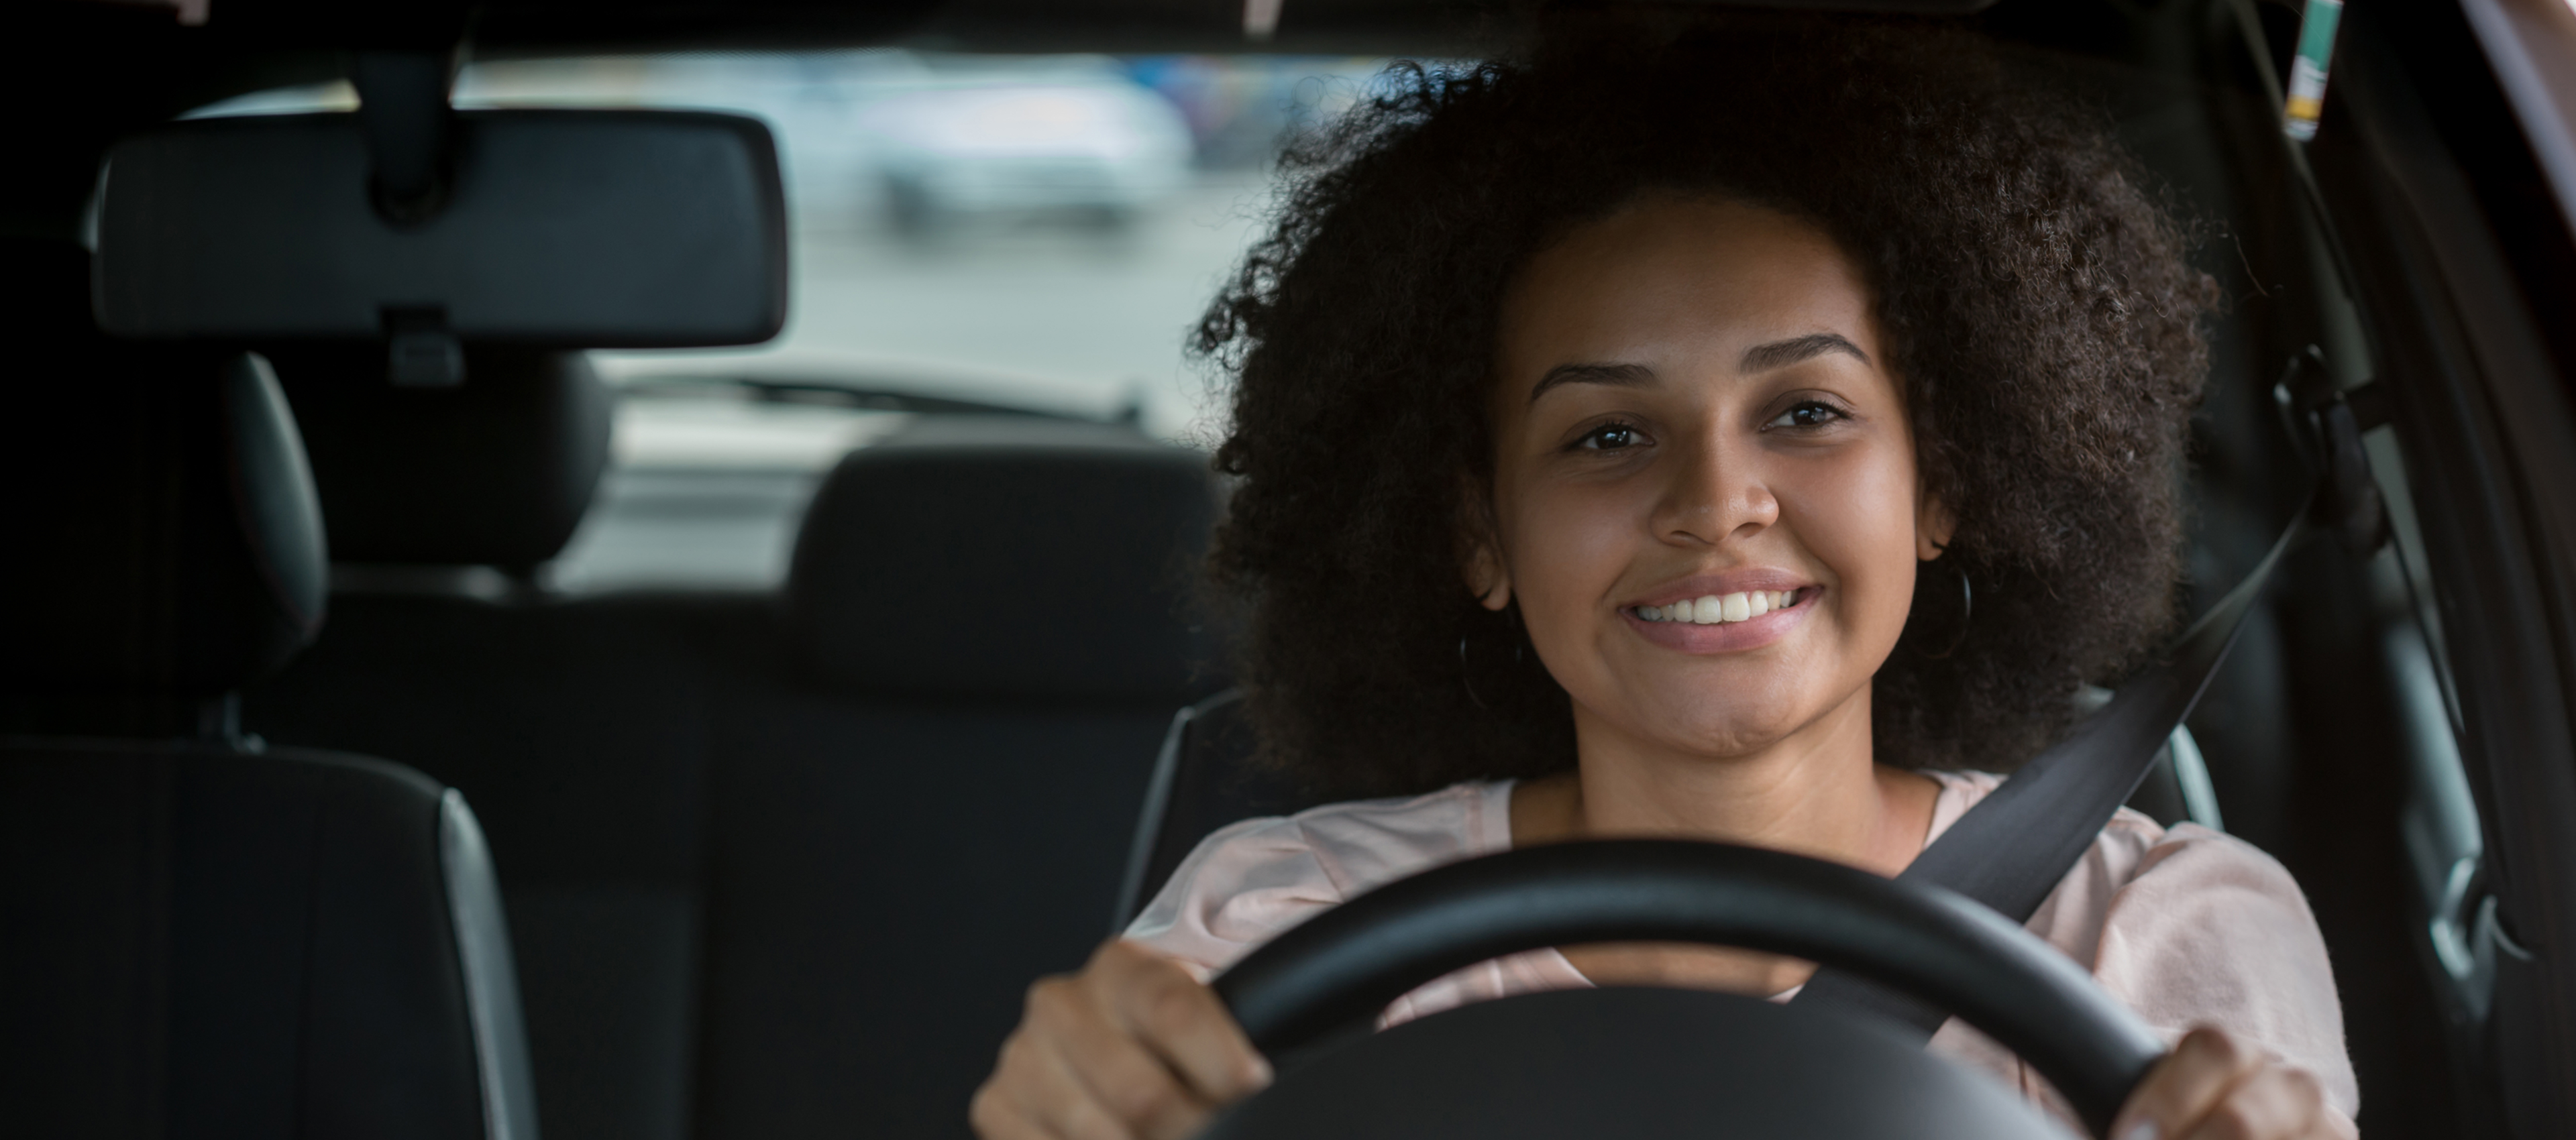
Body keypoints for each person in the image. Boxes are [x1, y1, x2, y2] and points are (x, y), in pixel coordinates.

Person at [973, 14, 2358, 1140]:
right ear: (1478, 535)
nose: (1714, 503)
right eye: (1608, 435)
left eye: (1806, 412)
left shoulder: (2158, 934)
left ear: (1943, 487)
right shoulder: (1287, 928)